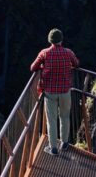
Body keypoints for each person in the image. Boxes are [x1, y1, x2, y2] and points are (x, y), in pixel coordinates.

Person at [30, 28, 80, 156]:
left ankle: (53, 148)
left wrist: (43, 66)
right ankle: (64, 142)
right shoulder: (68, 52)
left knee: (51, 120)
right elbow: (77, 64)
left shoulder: (44, 53)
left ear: (50, 40)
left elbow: (33, 68)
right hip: (65, 91)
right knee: (64, 116)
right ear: (61, 40)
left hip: (50, 92)